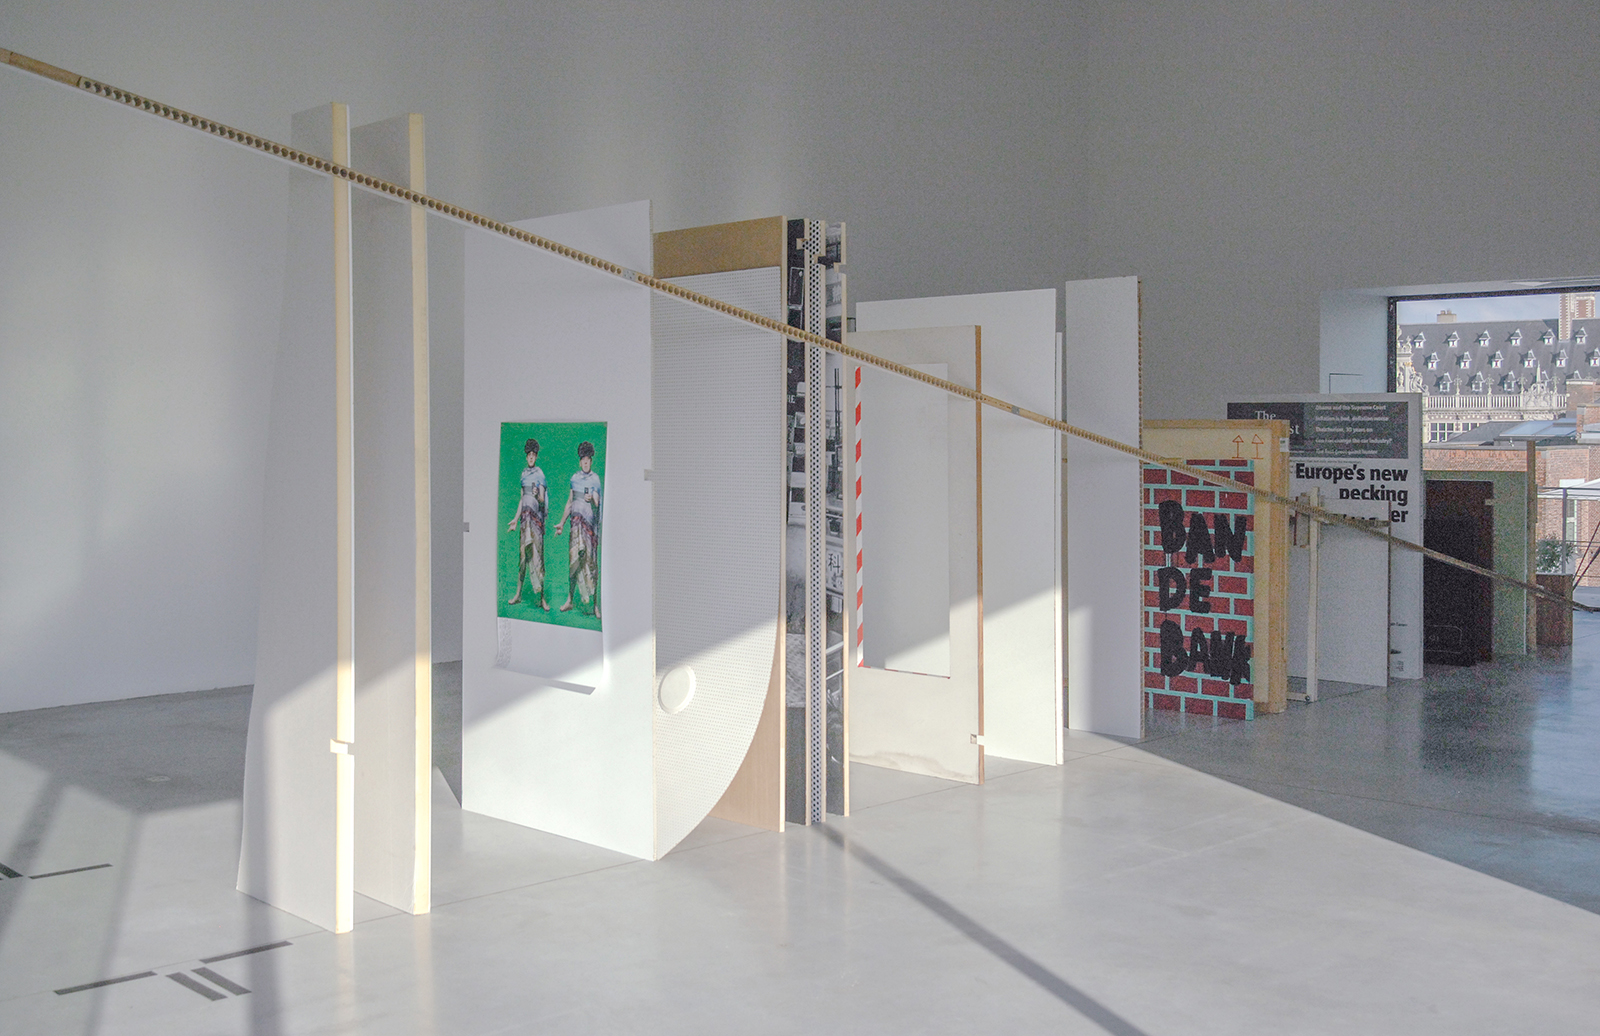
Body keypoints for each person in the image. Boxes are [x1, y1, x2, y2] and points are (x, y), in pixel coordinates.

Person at [554, 441, 602, 618]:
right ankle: (570, 600)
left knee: (591, 564)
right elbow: (570, 502)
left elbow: (598, 504)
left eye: (588, 459)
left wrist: (593, 498)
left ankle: (595, 605)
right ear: (580, 461)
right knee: (573, 563)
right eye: (583, 459)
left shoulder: (595, 480)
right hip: (575, 528)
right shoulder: (574, 479)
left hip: (590, 530)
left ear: (591, 461)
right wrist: (561, 523)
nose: (586, 462)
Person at [506, 438, 548, 608]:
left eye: (533, 455)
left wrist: (538, 495)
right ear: (526, 456)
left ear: (536, 456)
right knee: (523, 558)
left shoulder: (540, 475)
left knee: (539, 558)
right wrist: (515, 520)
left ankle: (542, 598)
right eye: (528, 455)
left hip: (536, 523)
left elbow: (542, 500)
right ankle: (518, 594)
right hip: (525, 522)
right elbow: (522, 499)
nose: (531, 457)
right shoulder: (523, 475)